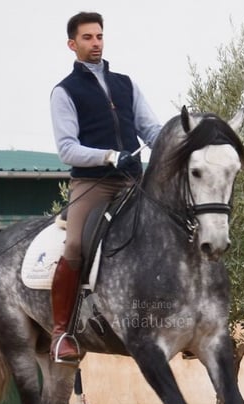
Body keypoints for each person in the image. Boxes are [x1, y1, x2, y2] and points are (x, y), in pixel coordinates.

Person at [49, 11, 161, 362]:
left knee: (174, 231)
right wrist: (111, 156)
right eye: (87, 38)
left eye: (99, 36)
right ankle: (61, 332)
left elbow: (151, 130)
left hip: (133, 182)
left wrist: (179, 144)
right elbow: (67, 148)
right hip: (93, 184)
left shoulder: (126, 83)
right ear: (72, 44)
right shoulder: (64, 92)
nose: (95, 43)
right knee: (75, 247)